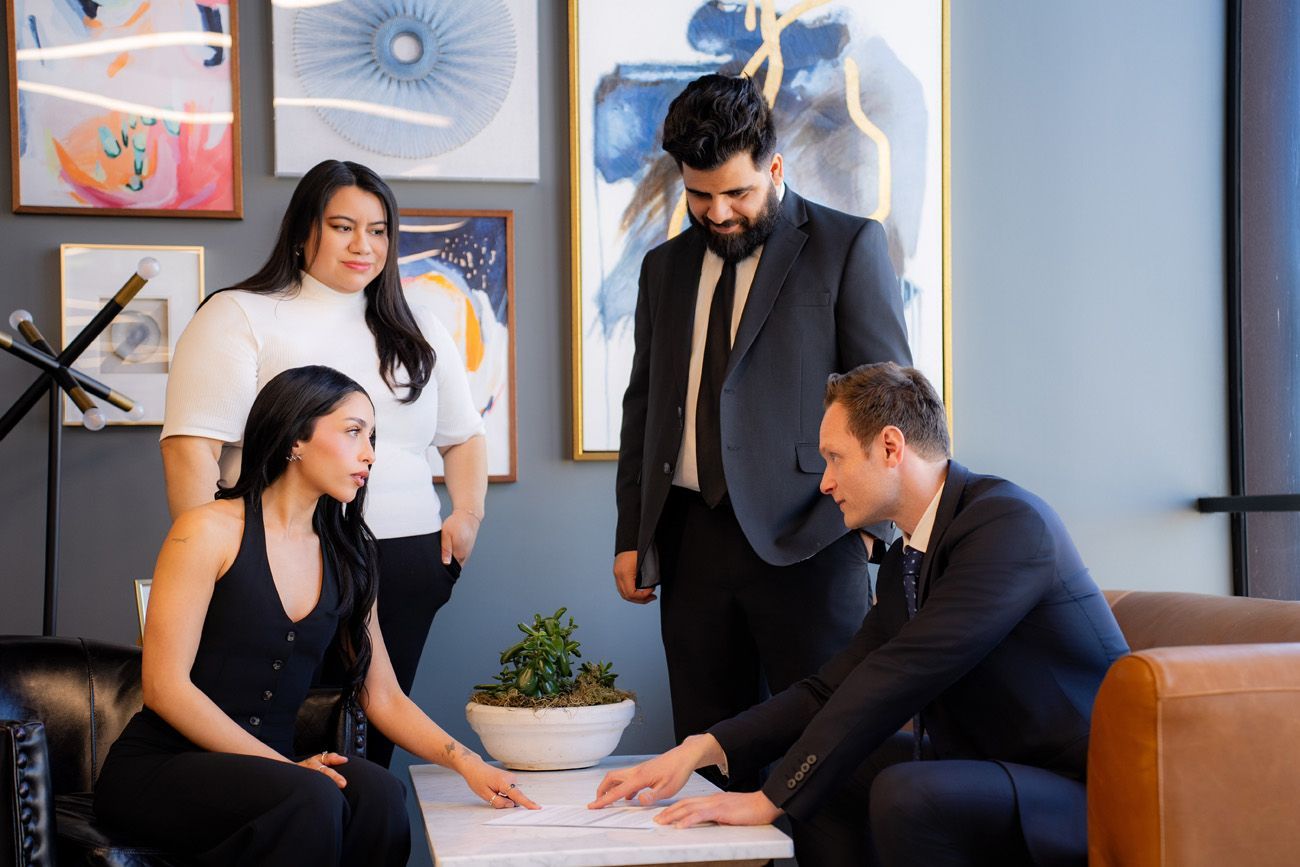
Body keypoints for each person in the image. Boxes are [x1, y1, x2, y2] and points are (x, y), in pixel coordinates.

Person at [593, 362, 1130, 866]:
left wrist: (768, 800)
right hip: (989, 765)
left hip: (1086, 785)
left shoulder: (1008, 525)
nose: (824, 482)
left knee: (903, 792)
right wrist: (701, 747)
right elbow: (829, 688)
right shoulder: (906, 559)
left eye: (835, 457)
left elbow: (904, 671)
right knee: (832, 777)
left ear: (890, 447)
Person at [95, 366, 537, 866]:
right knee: (311, 796)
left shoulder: (350, 556)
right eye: (353, 431)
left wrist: (471, 765)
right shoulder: (205, 532)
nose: (369, 453)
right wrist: (285, 769)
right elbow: (165, 687)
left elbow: (383, 696)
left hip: (276, 771)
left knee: (379, 792)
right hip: (163, 768)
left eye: (372, 437)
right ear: (295, 438)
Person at [612, 73, 912, 778]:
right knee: (708, 760)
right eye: (700, 195)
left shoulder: (847, 246)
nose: (718, 212)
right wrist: (633, 534)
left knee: (829, 756)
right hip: (690, 542)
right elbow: (643, 405)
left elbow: (888, 397)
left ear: (775, 167)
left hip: (815, 537)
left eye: (737, 193)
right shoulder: (662, 269)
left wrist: (873, 530)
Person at [160, 159, 486, 768]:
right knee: (272, 733)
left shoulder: (418, 324)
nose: (364, 245)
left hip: (404, 557)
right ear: (303, 229)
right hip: (279, 558)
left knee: (372, 741)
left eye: (379, 230)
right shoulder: (240, 313)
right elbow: (190, 446)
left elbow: (464, 435)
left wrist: (466, 516)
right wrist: (218, 561)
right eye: (343, 227)